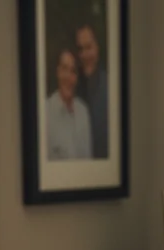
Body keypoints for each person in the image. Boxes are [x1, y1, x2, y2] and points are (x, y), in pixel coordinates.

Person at [46, 48, 92, 161]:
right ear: (58, 72)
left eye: (73, 71)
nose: (68, 77)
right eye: (64, 69)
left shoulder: (83, 111)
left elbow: (88, 161)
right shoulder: (45, 112)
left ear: (77, 77)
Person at [75, 23, 108, 159]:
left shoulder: (110, 88)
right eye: (80, 49)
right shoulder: (73, 89)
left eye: (88, 47)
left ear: (97, 48)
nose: (84, 55)